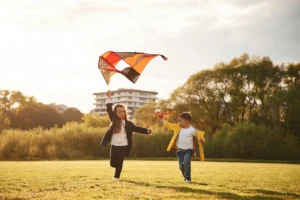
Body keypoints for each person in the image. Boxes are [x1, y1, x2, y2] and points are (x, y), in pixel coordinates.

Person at [101, 90, 152, 181]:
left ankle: (116, 177)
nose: (121, 113)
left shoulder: (129, 124)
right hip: (114, 145)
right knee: (112, 163)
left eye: (123, 111)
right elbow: (109, 109)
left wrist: (146, 130)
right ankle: (117, 168)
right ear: (115, 113)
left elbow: (137, 129)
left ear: (125, 112)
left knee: (120, 162)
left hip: (123, 146)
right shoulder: (113, 121)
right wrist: (109, 98)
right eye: (119, 112)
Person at [160, 112, 205, 183]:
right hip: (179, 151)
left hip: (188, 151)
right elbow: (169, 125)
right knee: (181, 166)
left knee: (186, 162)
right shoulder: (178, 127)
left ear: (186, 121)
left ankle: (188, 178)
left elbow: (200, 136)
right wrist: (161, 118)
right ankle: (185, 177)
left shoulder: (192, 130)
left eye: (180, 120)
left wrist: (202, 140)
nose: (178, 122)